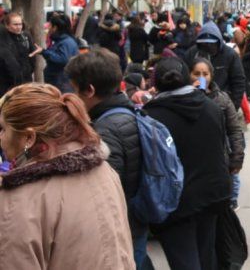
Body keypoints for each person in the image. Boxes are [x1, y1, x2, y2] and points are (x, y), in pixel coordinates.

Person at [0, 83, 134, 268]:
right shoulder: (104, 171)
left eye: (3, 129)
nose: (1, 137)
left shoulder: (19, 199)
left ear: (29, 138)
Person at [65, 48, 151, 269]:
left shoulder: (105, 130)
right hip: (136, 220)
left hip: (123, 225)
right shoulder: (129, 111)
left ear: (90, 90)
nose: (73, 95)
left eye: (75, 90)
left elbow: (105, 193)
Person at [143, 57, 231, 270]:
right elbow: (222, 149)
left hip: (176, 204)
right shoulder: (211, 107)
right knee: (206, 256)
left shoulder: (151, 117)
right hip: (211, 196)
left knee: (184, 261)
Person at [190, 58, 246, 210]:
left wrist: (237, 158)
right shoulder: (185, 99)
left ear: (211, 76)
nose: (201, 77)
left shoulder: (222, 99)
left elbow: (234, 130)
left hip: (218, 161)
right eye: (196, 73)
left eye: (205, 74)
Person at [183, 21, 246, 109]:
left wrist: (233, 106)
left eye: (211, 44)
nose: (208, 46)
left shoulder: (230, 55)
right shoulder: (191, 53)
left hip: (223, 104)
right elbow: (183, 77)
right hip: (196, 103)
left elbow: (238, 81)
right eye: (205, 43)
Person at [42, 13, 79, 93]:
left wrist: (44, 52)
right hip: (58, 81)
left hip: (61, 83)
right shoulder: (61, 41)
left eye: (50, 26)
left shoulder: (66, 42)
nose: (48, 28)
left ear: (55, 28)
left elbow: (63, 59)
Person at [2, 12, 40, 84]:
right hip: (8, 79)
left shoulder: (26, 36)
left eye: (20, 24)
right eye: (15, 24)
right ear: (7, 25)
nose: (19, 27)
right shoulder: (3, 39)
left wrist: (29, 69)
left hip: (26, 76)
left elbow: (32, 55)